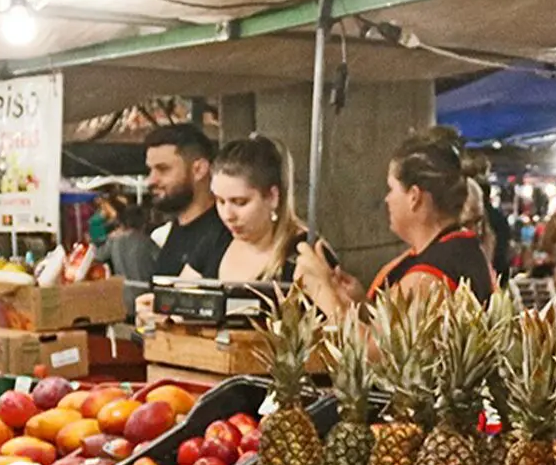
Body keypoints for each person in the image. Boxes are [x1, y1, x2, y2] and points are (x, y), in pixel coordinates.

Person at [208, 134, 359, 322]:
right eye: (220, 201)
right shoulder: (215, 239)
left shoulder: (307, 254)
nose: (227, 214)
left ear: (272, 197)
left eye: (240, 202)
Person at [368, 127, 497, 301]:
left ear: (414, 196)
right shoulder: (463, 249)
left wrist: (324, 290)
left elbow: (381, 329)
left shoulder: (428, 277)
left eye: (392, 189)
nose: (387, 199)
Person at [144, 124, 233, 280]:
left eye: (163, 169)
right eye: (150, 170)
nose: (151, 180)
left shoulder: (224, 234)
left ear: (199, 169)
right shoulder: (174, 230)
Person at [97, 193, 160, 319]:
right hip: (144, 299)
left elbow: (99, 257)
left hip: (122, 298)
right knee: (145, 333)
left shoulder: (114, 241)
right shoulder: (147, 242)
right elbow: (162, 264)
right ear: (143, 223)